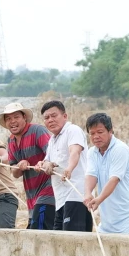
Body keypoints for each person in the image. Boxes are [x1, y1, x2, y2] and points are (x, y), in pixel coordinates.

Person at [81, 111, 129, 235]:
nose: (96, 136)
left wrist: (99, 199)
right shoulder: (92, 152)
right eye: (92, 133)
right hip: (109, 219)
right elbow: (91, 175)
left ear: (110, 131)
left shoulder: (120, 149)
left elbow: (114, 179)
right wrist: (87, 193)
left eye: (100, 132)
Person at [38, 99, 93, 233]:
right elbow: (46, 161)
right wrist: (44, 164)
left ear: (65, 116)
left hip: (76, 195)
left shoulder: (72, 130)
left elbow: (75, 151)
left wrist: (69, 169)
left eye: (54, 115)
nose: (50, 120)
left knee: (73, 240)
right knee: (60, 239)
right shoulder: (52, 140)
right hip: (61, 199)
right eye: (46, 118)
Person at [0, 103, 55, 229]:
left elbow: (52, 156)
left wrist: (43, 163)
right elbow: (14, 173)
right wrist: (19, 166)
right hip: (31, 197)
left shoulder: (37, 131)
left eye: (16, 117)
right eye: (8, 118)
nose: (12, 121)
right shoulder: (11, 140)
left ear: (24, 117)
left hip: (49, 191)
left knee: (39, 232)